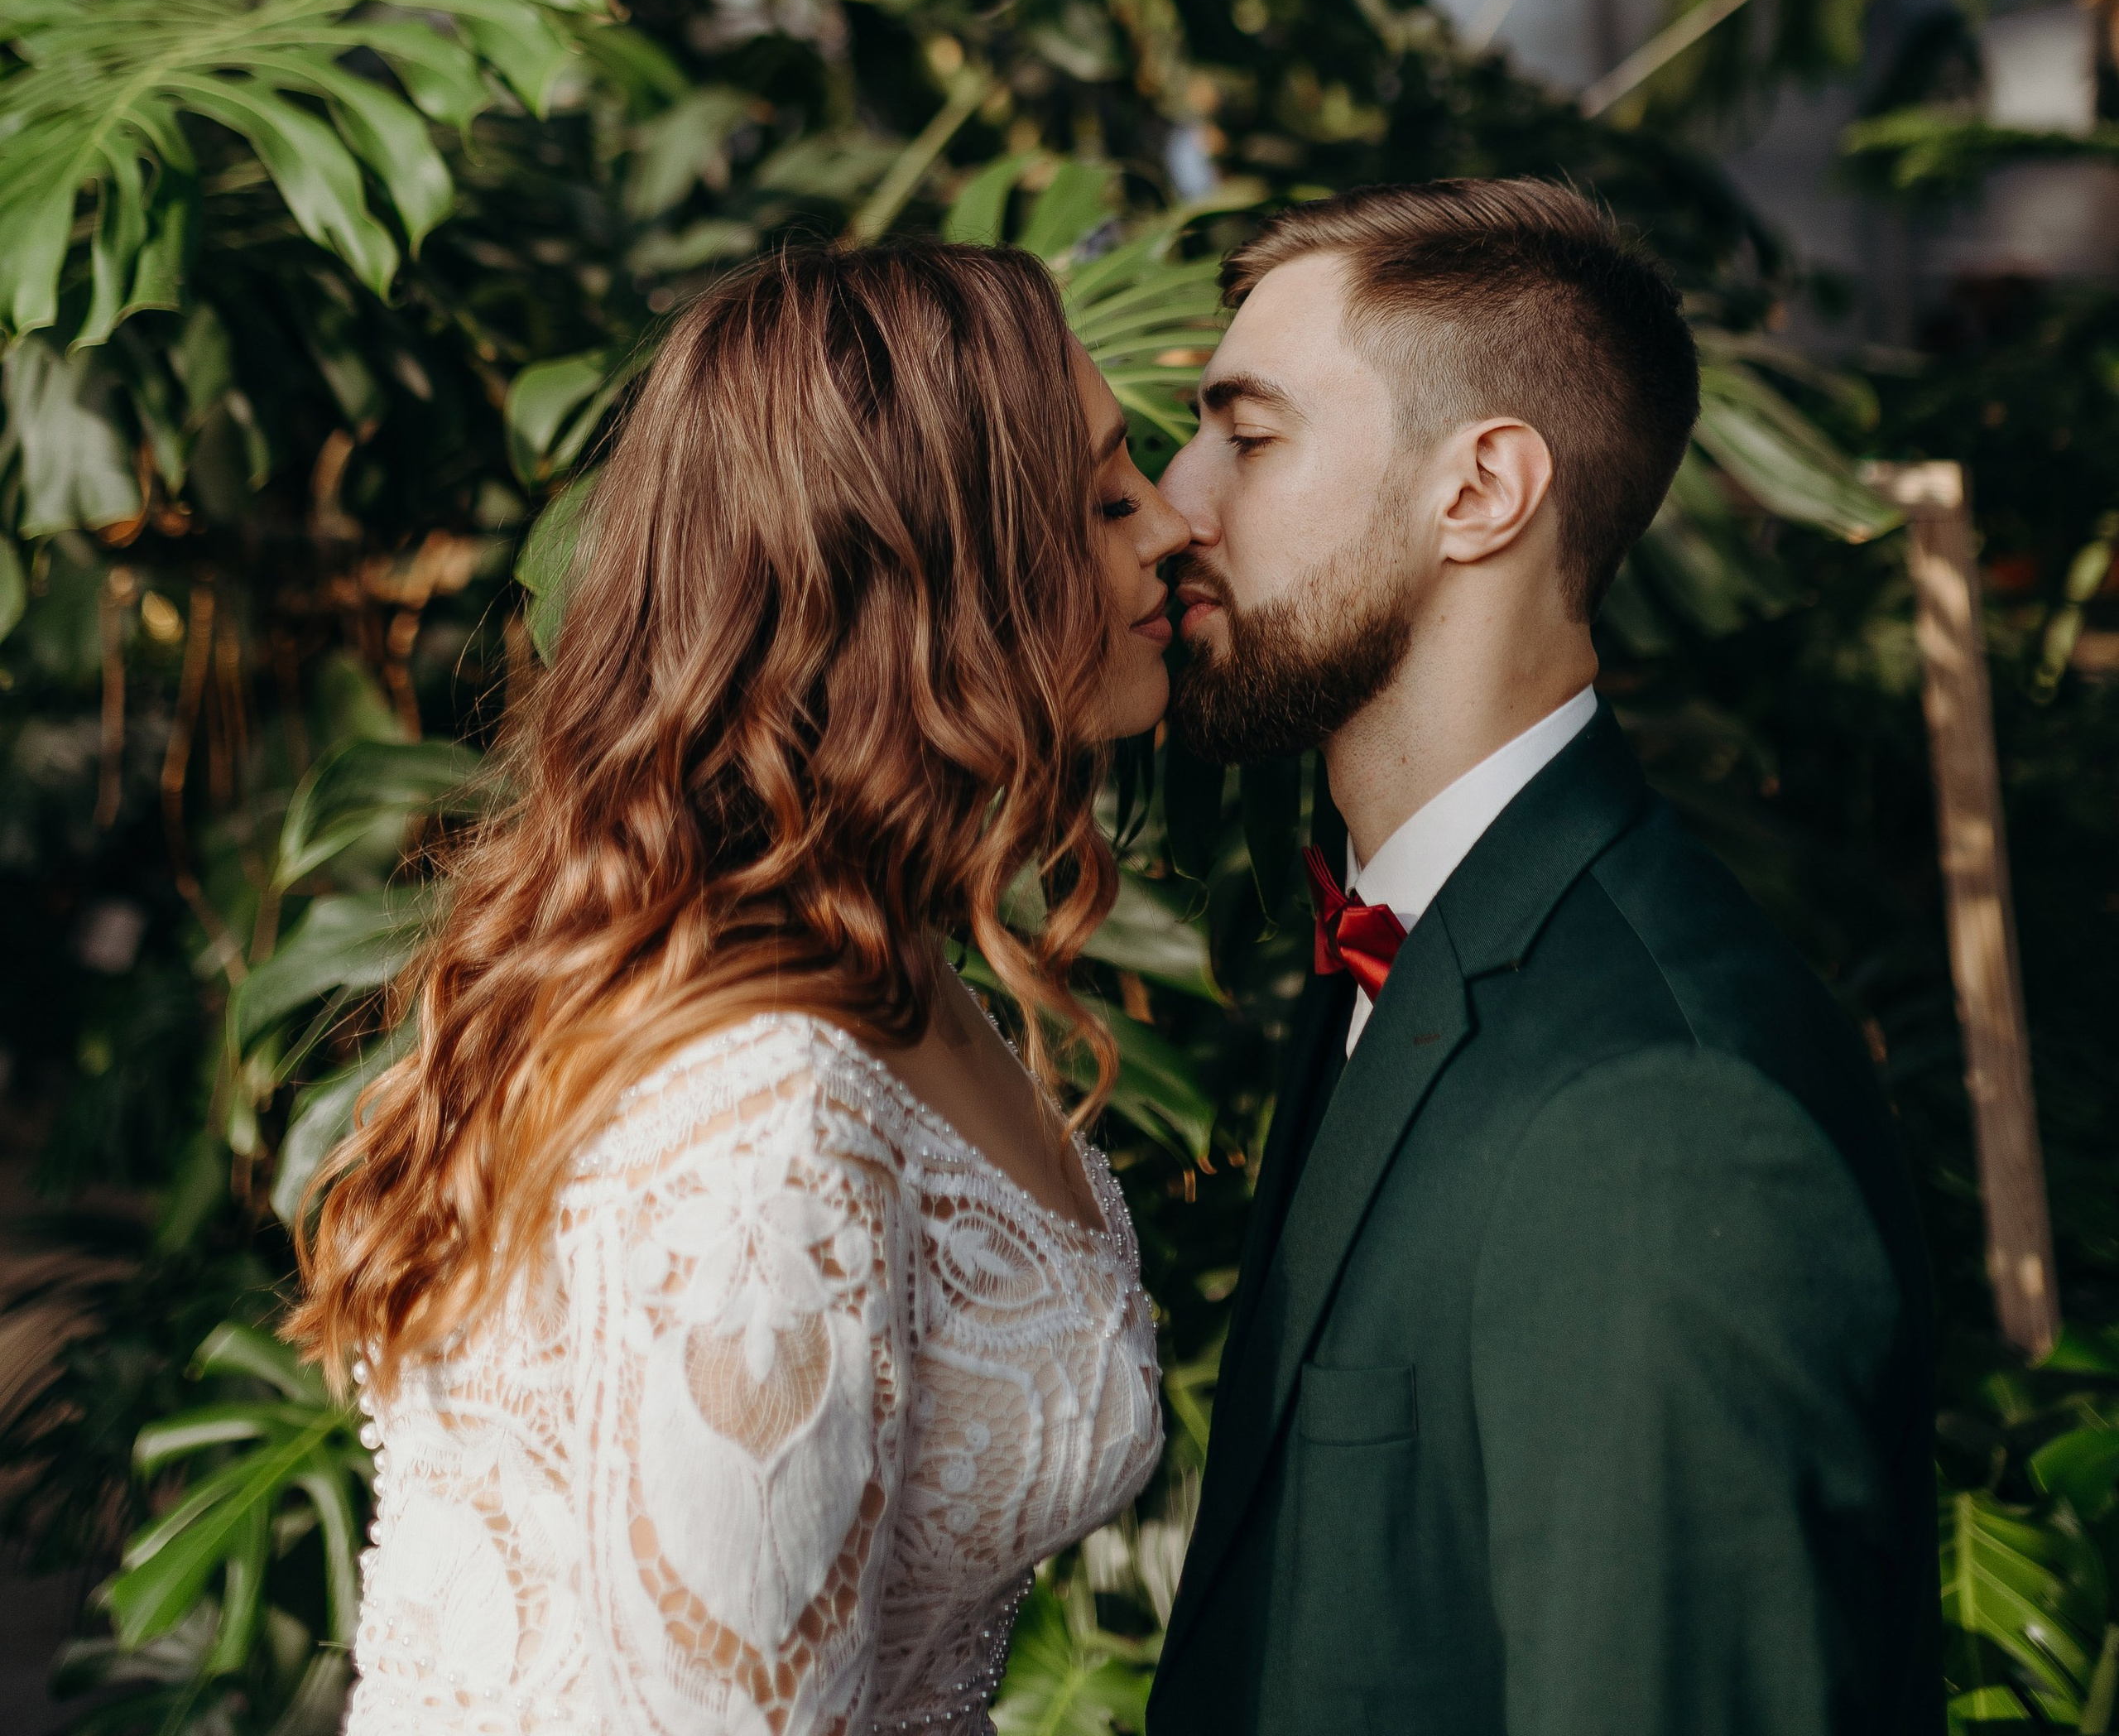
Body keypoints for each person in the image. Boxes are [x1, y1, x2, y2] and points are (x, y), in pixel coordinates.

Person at [294, 240, 1189, 1736]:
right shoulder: (762, 1106)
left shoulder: (865, 963)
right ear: (924, 582)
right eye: (1107, 499)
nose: (1172, 529)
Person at [1147, 178, 1940, 1736]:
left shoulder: (1664, 1116)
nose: (1181, 500)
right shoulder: (1407, 947)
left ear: (1482, 491)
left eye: (1250, 436)